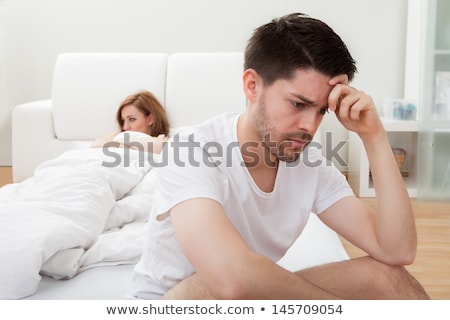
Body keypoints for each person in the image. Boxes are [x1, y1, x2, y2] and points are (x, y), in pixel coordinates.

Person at [130, 13, 430, 299]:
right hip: (175, 303)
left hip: (246, 298)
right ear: (252, 86)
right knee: (213, 284)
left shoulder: (309, 166)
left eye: (322, 110)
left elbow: (397, 250)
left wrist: (373, 135)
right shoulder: (191, 150)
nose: (310, 127)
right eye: (298, 104)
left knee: (388, 279)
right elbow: (230, 279)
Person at [91, 90, 170, 154]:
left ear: (150, 119)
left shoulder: (164, 141)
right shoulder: (119, 135)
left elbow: (160, 146)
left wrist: (118, 144)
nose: (125, 127)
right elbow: (95, 145)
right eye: (123, 120)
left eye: (132, 119)